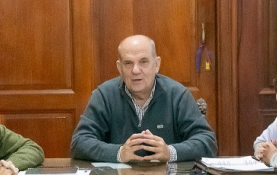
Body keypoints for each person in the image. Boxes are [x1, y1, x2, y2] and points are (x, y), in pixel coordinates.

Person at [70, 35, 217, 162]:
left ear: (156, 64)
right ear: (119, 67)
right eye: (128, 63)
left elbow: (207, 142)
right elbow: (80, 143)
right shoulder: (104, 95)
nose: (135, 70)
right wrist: (119, 153)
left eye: (143, 62)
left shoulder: (177, 94)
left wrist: (170, 152)